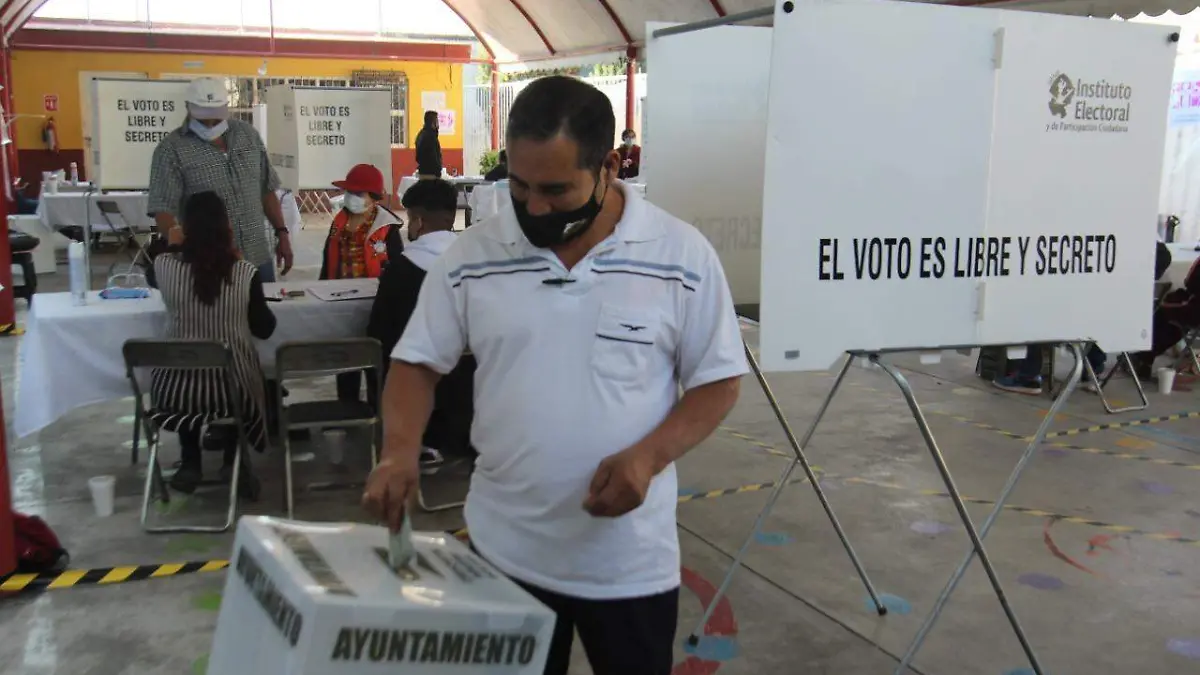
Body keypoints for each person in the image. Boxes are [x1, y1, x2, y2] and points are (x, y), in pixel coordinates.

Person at [363, 76, 748, 675]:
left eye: (555, 190)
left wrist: (648, 456)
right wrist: (398, 450)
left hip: (627, 565)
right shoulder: (473, 257)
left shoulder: (681, 256)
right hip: (504, 555)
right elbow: (417, 362)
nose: (534, 208)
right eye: (518, 187)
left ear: (609, 167)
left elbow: (719, 380)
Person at [149, 191, 276, 496]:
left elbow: (153, 263)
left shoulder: (164, 267)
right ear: (226, 226)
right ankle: (234, 459)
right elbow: (265, 328)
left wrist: (173, 242)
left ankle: (190, 461)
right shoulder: (245, 273)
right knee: (240, 374)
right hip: (230, 392)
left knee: (190, 373)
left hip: (172, 391)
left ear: (185, 227)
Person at [365, 178, 469, 469]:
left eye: (410, 219)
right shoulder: (475, 260)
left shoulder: (401, 268)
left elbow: (378, 332)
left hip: (420, 391)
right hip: (469, 394)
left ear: (418, 221)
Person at [149, 77, 293, 282]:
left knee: (263, 312)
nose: (210, 125)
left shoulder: (248, 136)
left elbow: (266, 189)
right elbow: (163, 210)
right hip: (209, 264)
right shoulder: (170, 150)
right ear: (187, 108)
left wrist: (282, 233)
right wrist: (182, 247)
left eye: (216, 119)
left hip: (258, 258)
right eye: (203, 119)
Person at [320, 163, 404, 402]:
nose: (351, 198)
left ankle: (378, 413)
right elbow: (327, 263)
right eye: (349, 193)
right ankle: (347, 408)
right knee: (346, 362)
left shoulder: (387, 229)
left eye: (358, 194)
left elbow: (397, 269)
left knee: (375, 362)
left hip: (375, 305)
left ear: (374, 198)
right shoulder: (338, 224)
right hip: (340, 303)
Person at [415, 110, 443, 178]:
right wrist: (438, 170)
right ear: (433, 122)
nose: (438, 123)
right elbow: (433, 157)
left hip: (423, 172)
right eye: (437, 120)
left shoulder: (421, 134)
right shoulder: (430, 136)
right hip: (431, 174)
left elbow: (417, 157)